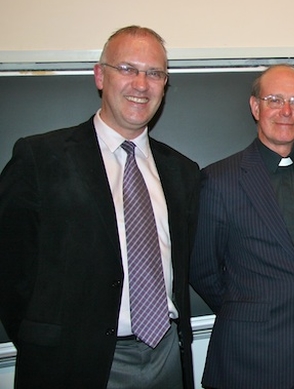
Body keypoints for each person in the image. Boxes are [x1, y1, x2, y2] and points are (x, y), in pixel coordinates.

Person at [0, 26, 200, 389]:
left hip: (167, 358)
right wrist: (44, 342)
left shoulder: (182, 172)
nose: (141, 84)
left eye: (154, 73)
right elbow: (9, 269)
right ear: (99, 75)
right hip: (72, 364)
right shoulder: (41, 158)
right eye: (127, 68)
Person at [190, 64, 294, 388]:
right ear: (255, 106)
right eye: (275, 99)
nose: (286, 111)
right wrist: (252, 310)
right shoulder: (220, 180)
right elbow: (202, 269)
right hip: (255, 360)